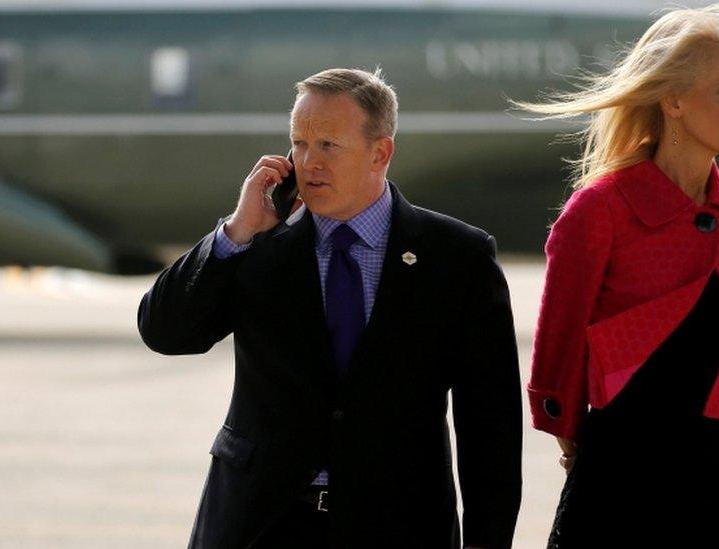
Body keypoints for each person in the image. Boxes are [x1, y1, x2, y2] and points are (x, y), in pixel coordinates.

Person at [137, 67, 521, 549]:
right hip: (259, 525)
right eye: (299, 143)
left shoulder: (457, 257)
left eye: (328, 146)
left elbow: (492, 431)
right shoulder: (259, 243)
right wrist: (235, 232)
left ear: (380, 152)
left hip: (398, 527)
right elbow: (166, 333)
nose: (307, 162)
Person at [519, 3, 719, 547]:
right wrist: (578, 447)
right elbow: (557, 351)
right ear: (673, 99)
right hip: (622, 483)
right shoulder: (600, 209)